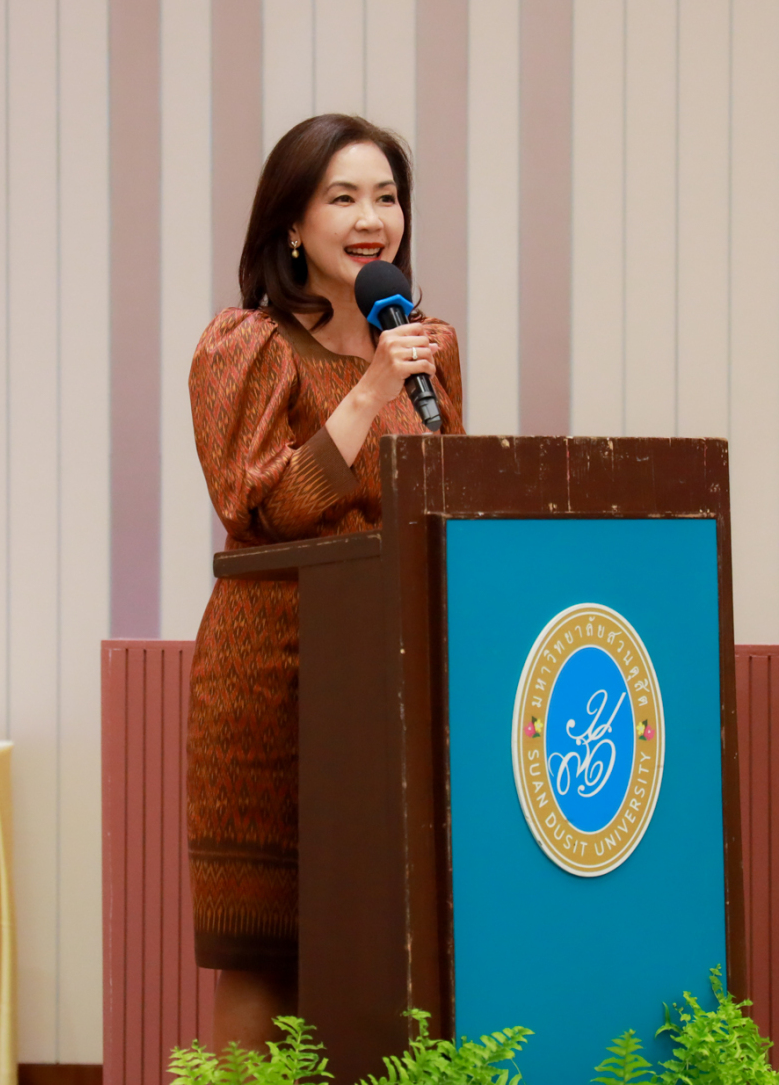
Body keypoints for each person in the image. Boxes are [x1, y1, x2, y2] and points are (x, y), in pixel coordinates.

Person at [186, 114, 464, 1050]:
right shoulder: (244, 344)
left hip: (391, 676)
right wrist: (371, 387)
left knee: (391, 938)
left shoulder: (427, 346)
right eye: (342, 198)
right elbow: (263, 503)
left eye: (386, 197)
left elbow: (446, 494)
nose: (370, 219)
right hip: (276, 676)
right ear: (293, 225)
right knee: (265, 947)